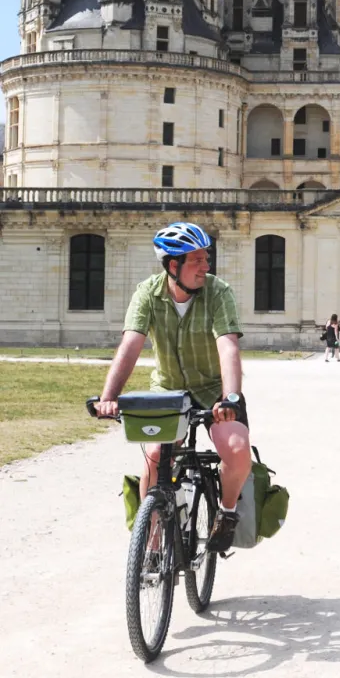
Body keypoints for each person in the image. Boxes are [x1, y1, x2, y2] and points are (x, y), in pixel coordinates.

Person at [94, 221, 251, 553]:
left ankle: (226, 511)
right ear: (172, 265)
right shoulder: (147, 294)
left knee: (236, 449)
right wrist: (108, 398)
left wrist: (232, 397)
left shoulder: (218, 291)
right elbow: (131, 346)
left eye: (207, 258)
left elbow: (228, 347)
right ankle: (150, 543)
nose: (206, 266)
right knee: (154, 456)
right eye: (197, 260)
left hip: (213, 390)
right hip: (167, 391)